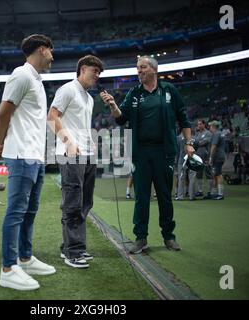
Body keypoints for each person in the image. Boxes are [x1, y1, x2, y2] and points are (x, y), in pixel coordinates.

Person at [100, 55, 194, 254]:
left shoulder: (169, 90)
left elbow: (184, 120)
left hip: (164, 152)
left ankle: (169, 236)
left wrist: (189, 143)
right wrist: (113, 105)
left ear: (153, 69)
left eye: (142, 67)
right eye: (137, 68)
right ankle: (140, 238)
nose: (139, 71)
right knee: (141, 197)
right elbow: (121, 118)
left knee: (164, 197)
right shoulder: (134, 93)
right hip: (140, 153)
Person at [0, 34, 56, 291]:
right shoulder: (22, 74)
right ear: (42, 49)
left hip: (35, 156)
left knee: (29, 211)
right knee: (16, 212)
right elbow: (2, 112)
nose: (53, 56)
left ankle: (25, 258)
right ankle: (8, 269)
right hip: (20, 155)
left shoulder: (37, 80)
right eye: (51, 51)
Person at [47, 55, 104, 269]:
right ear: (82, 69)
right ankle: (73, 251)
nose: (97, 75)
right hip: (70, 153)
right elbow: (52, 116)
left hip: (87, 154)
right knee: (72, 203)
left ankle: (71, 246)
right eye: (94, 70)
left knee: (85, 203)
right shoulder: (68, 89)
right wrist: (68, 142)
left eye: (99, 72)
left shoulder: (89, 98)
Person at [207, 120, 226, 200]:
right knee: (215, 174)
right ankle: (214, 193)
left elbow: (213, 146)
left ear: (213, 126)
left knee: (218, 174)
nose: (209, 128)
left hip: (217, 157)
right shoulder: (220, 133)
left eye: (210, 126)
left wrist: (210, 157)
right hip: (220, 156)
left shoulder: (216, 134)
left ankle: (220, 194)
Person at [176, 131, 197, 201]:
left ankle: (180, 196)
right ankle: (192, 196)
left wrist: (176, 161)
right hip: (192, 160)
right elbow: (196, 148)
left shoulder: (178, 138)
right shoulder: (194, 138)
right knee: (192, 178)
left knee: (181, 178)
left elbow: (177, 151)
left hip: (181, 161)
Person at [194, 119, 212, 198]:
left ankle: (210, 191)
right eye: (198, 124)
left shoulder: (208, 133)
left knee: (208, 174)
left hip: (206, 156)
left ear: (204, 125)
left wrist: (197, 143)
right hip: (197, 157)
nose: (199, 126)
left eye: (200, 124)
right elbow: (195, 143)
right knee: (198, 174)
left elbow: (203, 143)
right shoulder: (197, 133)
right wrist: (197, 143)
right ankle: (200, 191)